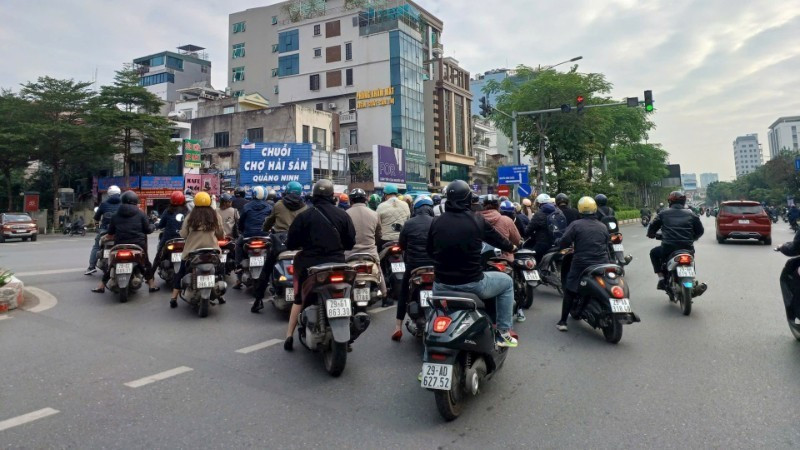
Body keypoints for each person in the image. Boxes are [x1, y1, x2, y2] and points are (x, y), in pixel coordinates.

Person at [427, 180, 518, 348]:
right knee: (506, 282)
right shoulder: (477, 220)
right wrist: (511, 247)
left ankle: (427, 363)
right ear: (468, 199)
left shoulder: (436, 222)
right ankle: (504, 332)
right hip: (472, 284)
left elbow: (430, 251)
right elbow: (497, 239)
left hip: (440, 285)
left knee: (433, 317)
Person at [283, 179, 356, 351]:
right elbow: (350, 243)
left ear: (314, 195)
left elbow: (291, 243)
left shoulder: (304, 216)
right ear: (332, 196)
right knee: (348, 294)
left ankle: (288, 336)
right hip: (338, 264)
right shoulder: (343, 215)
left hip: (310, 265)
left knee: (299, 297)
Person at [555, 197, 611, 331]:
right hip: (602, 262)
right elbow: (607, 244)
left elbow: (564, 241)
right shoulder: (602, 226)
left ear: (580, 210)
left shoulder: (576, 225)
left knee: (570, 288)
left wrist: (559, 245)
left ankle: (563, 321)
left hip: (582, 263)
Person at [251, 181, 307, 313]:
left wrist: (265, 228)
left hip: (280, 244)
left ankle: (258, 301)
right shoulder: (305, 207)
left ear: (286, 191)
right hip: (299, 245)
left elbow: (269, 221)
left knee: (266, 270)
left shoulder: (279, 205)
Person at [92, 190, 160, 293]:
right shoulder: (141, 214)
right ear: (135, 201)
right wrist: (153, 226)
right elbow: (147, 230)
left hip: (120, 245)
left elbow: (110, 232)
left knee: (111, 264)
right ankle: (151, 285)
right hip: (138, 244)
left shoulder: (115, 215)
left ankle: (101, 286)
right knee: (145, 263)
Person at [168, 192, 225, 308]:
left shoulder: (190, 216)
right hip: (212, 252)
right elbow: (220, 235)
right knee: (220, 270)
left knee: (181, 271)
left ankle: (174, 297)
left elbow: (183, 235)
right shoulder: (215, 215)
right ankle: (220, 295)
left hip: (192, 252)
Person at [392, 195, 436, 340]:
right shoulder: (437, 222)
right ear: (430, 208)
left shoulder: (409, 223)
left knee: (404, 292)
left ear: (415, 209)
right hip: (434, 266)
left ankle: (398, 327)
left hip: (414, 267)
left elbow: (402, 245)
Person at [647, 191, 705, 291]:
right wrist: (693, 238)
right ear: (683, 202)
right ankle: (693, 282)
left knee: (653, 253)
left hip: (668, 248)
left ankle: (661, 279)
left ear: (670, 202)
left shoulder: (663, 213)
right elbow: (700, 231)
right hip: (687, 247)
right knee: (690, 259)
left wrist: (651, 234)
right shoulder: (691, 214)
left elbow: (652, 226)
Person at [345, 187, 388, 305]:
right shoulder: (374, 214)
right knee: (378, 269)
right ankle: (384, 294)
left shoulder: (345, 214)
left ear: (351, 200)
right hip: (370, 254)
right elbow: (379, 235)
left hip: (350, 254)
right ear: (365, 200)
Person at [233, 186, 273, 289]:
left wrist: (241, 231)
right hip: (265, 236)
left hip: (248, 235)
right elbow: (272, 222)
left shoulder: (247, 206)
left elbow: (241, 222)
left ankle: (238, 266)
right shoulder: (269, 207)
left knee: (238, 245)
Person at [150, 191, 189, 281]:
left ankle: (151, 276)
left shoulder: (168, 211)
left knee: (159, 256)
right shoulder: (186, 211)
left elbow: (161, 225)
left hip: (169, 239)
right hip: (184, 239)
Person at [86, 185, 122, 275]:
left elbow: (96, 218)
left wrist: (97, 227)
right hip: (120, 231)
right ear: (119, 193)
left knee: (96, 246)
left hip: (105, 231)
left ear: (109, 194)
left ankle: (91, 267)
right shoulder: (123, 204)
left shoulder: (104, 204)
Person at [481, 196, 522, 262]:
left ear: (483, 205)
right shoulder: (507, 220)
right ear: (498, 206)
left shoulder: (475, 220)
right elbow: (517, 240)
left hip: (481, 260)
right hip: (504, 259)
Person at [525, 200, 559, 265]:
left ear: (540, 205)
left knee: (531, 259)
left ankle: (537, 273)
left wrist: (527, 233)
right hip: (556, 243)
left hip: (542, 243)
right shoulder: (557, 214)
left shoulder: (539, 214)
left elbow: (529, 229)